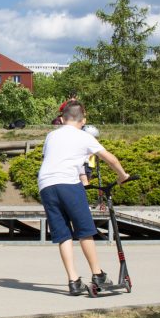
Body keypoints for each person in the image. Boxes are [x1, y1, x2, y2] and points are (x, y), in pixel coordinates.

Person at [38, 100, 131, 295]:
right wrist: (123, 176)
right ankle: (97, 274)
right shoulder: (84, 137)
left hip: (46, 185)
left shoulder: (51, 136)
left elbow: (62, 159)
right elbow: (110, 158)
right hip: (67, 184)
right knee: (84, 230)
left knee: (63, 234)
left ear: (62, 119)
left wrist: (83, 180)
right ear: (84, 120)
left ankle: (73, 281)